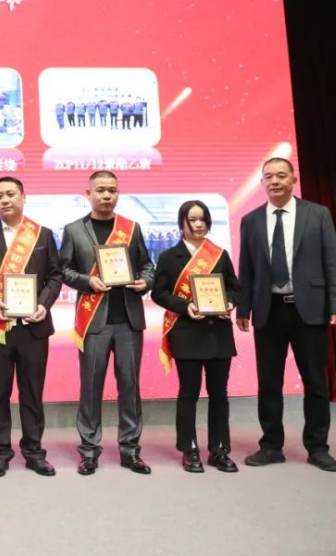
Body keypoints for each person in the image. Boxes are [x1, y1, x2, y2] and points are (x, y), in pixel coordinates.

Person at [236, 157, 336, 472]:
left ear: (293, 180)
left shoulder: (318, 214)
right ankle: (271, 446)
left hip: (309, 310)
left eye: (281, 175)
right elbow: (246, 267)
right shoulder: (251, 220)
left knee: (315, 383)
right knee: (269, 383)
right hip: (268, 310)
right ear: (262, 183)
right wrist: (243, 307)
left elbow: (333, 262)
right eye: (268, 176)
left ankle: (318, 447)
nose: (274, 181)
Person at [60, 171, 155, 475]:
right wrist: (87, 281)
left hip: (128, 320)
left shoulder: (131, 228)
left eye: (112, 190)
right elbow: (63, 270)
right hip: (93, 322)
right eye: (100, 190)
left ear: (118, 193)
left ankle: (130, 450)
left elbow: (147, 265)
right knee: (91, 388)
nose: (106, 195)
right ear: (87, 193)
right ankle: (89, 451)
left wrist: (146, 281)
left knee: (130, 387)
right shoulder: (74, 230)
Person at [0, 176, 63, 477]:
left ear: (23, 196)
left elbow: (55, 276)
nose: (5, 200)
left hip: (33, 326)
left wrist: (43, 304)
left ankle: (34, 451)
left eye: (10, 194)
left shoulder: (42, 235)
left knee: (32, 391)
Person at [150, 200, 240, 473]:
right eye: (193, 219)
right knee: (188, 393)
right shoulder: (169, 257)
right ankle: (189, 448)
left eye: (203, 219)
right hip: (187, 333)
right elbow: (159, 293)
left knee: (219, 394)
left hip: (218, 334)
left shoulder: (219, 254)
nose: (199, 224)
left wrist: (230, 303)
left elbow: (235, 288)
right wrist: (184, 306)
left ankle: (219, 450)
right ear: (182, 223)